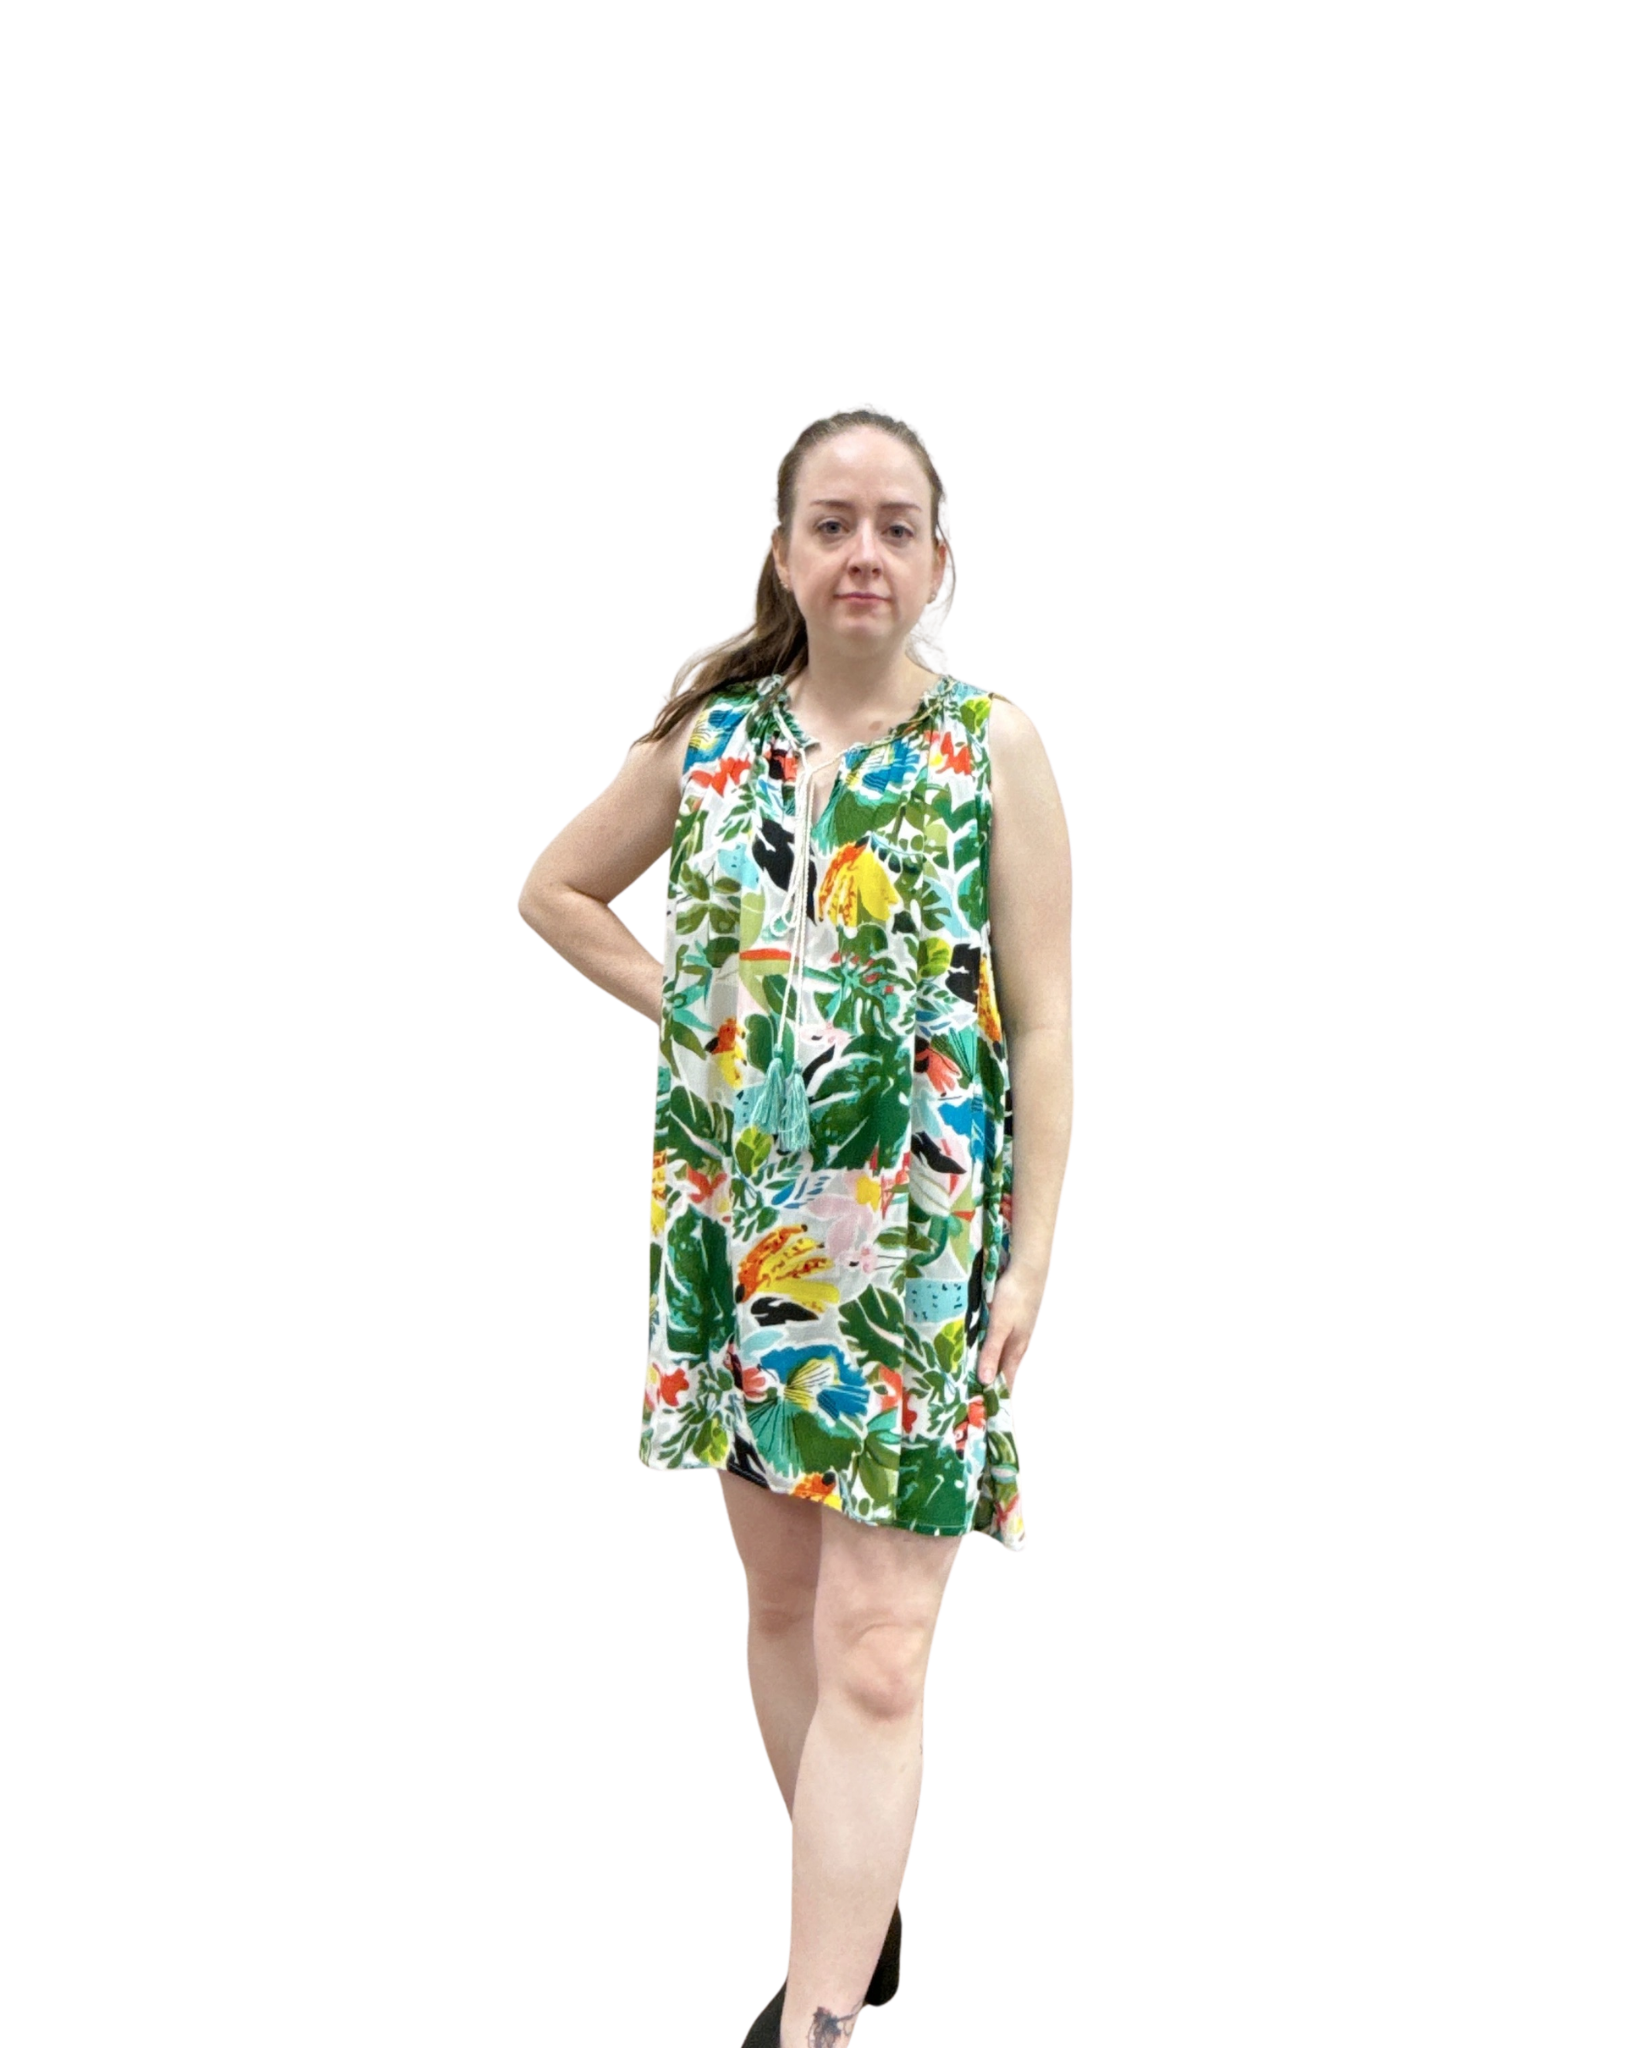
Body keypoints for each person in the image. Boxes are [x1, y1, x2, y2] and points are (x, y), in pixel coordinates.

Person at [518, 407, 1073, 2045]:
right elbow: (554, 889)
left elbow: (1045, 1021)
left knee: (878, 1653)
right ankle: (860, 1902)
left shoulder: (992, 750)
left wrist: (1034, 1255)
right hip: (738, 1232)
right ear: (782, 553)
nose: (864, 553)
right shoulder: (713, 744)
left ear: (940, 557)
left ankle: (819, 2022)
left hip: (919, 1256)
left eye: (897, 525)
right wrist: (692, 1008)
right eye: (833, 523)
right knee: (779, 1612)